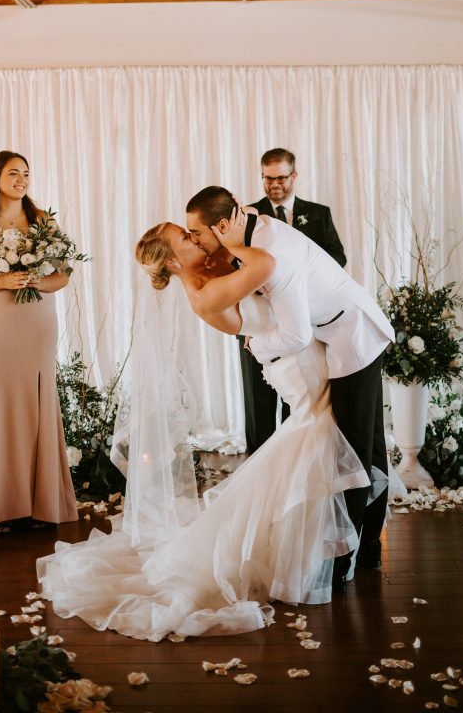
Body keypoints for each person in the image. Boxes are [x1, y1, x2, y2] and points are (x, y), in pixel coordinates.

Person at [36, 215, 368, 640]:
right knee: (313, 440)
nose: (195, 238)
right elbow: (266, 267)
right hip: (294, 367)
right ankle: (302, 555)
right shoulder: (205, 294)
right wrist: (241, 236)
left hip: (302, 354)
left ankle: (304, 550)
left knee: (309, 443)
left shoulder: (214, 266)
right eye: (185, 237)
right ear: (174, 262)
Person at [186, 187, 394, 588]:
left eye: (197, 232)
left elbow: (296, 336)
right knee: (365, 446)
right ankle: (366, 551)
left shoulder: (273, 254)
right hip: (339, 334)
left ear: (224, 224)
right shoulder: (251, 229)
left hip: (355, 339)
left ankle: (344, 562)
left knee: (350, 451)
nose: (194, 239)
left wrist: (256, 345)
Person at [0, 151, 78, 534]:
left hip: (35, 322)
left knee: (36, 404)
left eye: (26, 173)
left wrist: (39, 281)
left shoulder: (42, 221)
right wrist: (1, 281)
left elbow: (64, 275)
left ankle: (39, 506)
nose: (21, 179)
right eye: (13, 173)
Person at [240, 147, 346, 452]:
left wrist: (300, 280)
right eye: (267, 178)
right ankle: (258, 464)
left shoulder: (318, 213)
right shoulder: (246, 215)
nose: (274, 184)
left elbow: (337, 257)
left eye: (281, 178)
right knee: (257, 397)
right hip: (259, 319)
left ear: (294, 176)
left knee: (299, 394)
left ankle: (294, 459)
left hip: (303, 319)